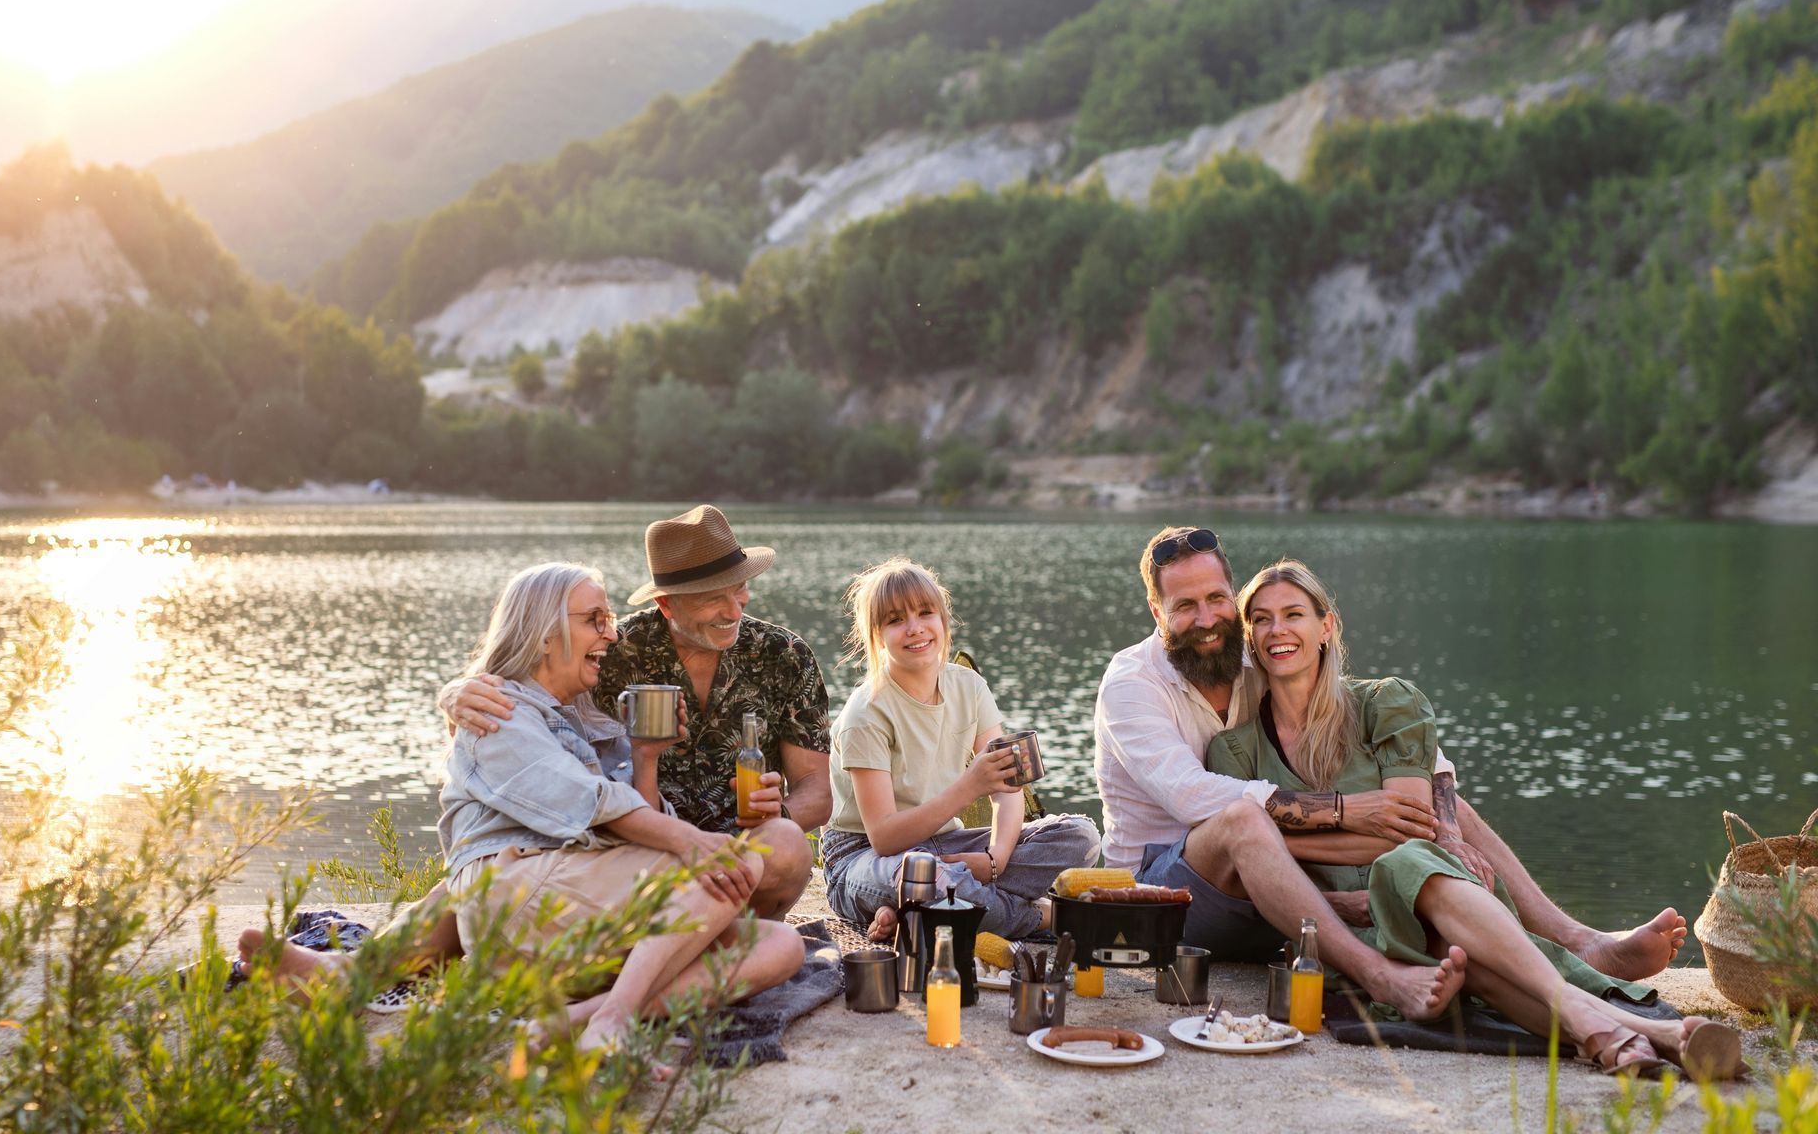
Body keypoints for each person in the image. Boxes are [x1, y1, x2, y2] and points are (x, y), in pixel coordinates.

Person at [1092, 526, 1687, 1020]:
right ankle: (1376, 972)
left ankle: (1581, 944)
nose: (1207, 618)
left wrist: (1445, 831)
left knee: (1430, 805)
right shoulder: (1133, 685)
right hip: (1165, 893)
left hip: (1281, 882)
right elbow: (1194, 795)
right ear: (1156, 611)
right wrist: (1350, 810)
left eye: (1217, 598)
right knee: (1247, 821)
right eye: (1185, 606)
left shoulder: (1255, 649)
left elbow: (1393, 734)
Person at [239, 562, 805, 1057]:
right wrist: (693, 842)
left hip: (579, 903)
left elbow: (617, 810)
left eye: (741, 590)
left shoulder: (594, 706)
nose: (608, 634)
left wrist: (645, 757)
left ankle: (583, 1015)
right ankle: (612, 1016)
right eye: (594, 620)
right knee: (726, 862)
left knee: (780, 946)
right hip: (524, 897)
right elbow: (588, 803)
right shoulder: (501, 704)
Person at [1206, 560, 1739, 1077]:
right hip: (1352, 926)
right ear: (1250, 639)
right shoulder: (1234, 751)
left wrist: (1294, 844)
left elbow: (1412, 830)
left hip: (1430, 889)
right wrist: (1340, 845)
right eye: (1261, 618)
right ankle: (1641, 1035)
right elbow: (1259, 858)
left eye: (1293, 614)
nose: (1278, 629)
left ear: (1326, 626)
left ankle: (1609, 1032)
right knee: (1471, 962)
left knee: (1414, 868)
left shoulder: (1385, 703)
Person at [443, 505, 828, 920]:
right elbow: (526, 720)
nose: (734, 610)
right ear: (666, 604)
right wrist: (456, 693)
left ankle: (727, 935)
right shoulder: (609, 650)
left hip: (742, 851)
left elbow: (818, 789)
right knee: (473, 883)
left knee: (787, 844)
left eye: (739, 589)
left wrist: (779, 811)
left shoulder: (784, 655)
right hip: (635, 854)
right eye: (713, 597)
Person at [820, 558, 1101, 940]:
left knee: (1080, 837)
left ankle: (918, 911)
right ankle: (1043, 918)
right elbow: (884, 837)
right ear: (876, 634)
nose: (915, 628)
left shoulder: (968, 687)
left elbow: (1008, 788)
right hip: (863, 855)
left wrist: (995, 860)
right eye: (895, 620)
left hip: (948, 845)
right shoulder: (865, 713)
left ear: (943, 619)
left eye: (925, 612)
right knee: (923, 876)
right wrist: (969, 787)